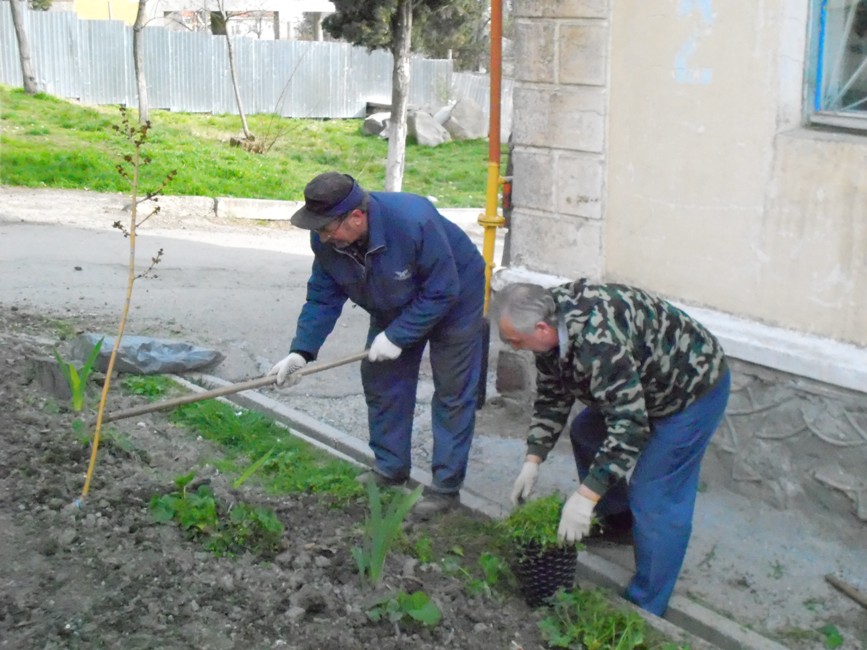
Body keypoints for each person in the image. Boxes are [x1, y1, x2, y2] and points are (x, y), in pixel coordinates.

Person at [492, 280, 730, 616]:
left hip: (690, 391)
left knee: (654, 493)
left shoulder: (597, 341)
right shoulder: (549, 326)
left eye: (517, 342)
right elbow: (552, 396)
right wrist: (533, 458)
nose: (516, 348)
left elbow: (630, 427)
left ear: (542, 327)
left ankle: (647, 604)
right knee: (586, 431)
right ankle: (619, 523)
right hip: (642, 384)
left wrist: (586, 496)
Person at [268, 171, 486, 518]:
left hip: (456, 294)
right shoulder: (327, 241)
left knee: (452, 390)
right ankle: (390, 469)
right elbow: (323, 297)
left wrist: (399, 336)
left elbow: (443, 290)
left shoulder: (413, 221)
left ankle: (445, 490)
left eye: (327, 227)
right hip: (393, 298)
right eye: (318, 228)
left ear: (357, 215)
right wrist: (302, 351)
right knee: (382, 379)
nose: (323, 237)